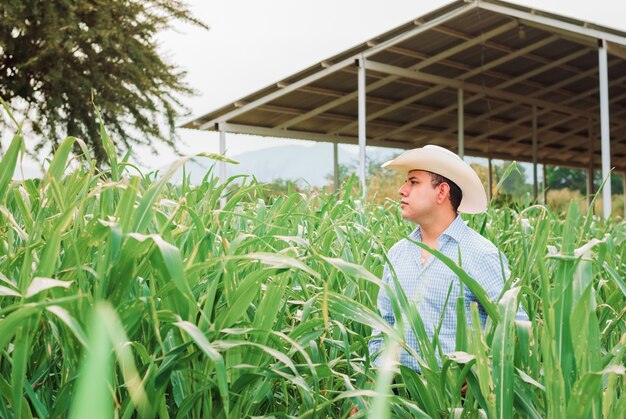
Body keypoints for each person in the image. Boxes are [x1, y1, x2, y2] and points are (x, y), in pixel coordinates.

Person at [368, 144, 528, 371]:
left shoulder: (480, 254)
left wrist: (480, 370)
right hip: (400, 396)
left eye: (413, 182)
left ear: (441, 192)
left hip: (460, 402)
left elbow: (518, 326)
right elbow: (382, 328)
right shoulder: (397, 254)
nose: (402, 190)